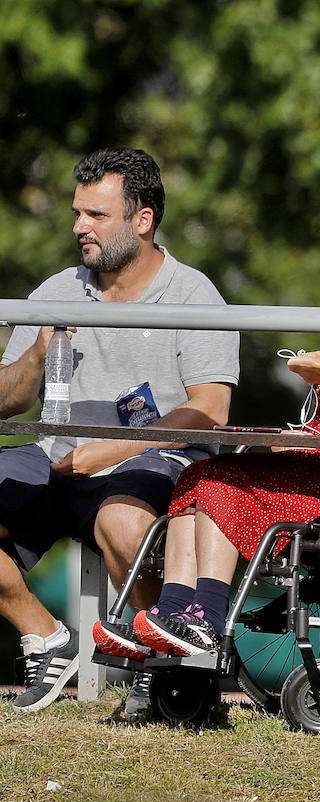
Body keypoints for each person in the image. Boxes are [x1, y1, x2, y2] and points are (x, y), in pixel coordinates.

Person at [91, 220, 320, 660]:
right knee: (198, 475)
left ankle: (207, 619)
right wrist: (300, 437)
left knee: (221, 484)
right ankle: (173, 610)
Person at [0, 146, 239, 714]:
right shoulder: (55, 290)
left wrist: (109, 450)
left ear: (143, 219)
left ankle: (159, 662)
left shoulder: (193, 294)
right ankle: (47, 639)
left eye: (96, 215)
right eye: (77, 213)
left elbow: (211, 408)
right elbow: (8, 400)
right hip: (55, 456)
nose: (79, 227)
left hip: (153, 460)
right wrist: (36, 354)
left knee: (123, 521)